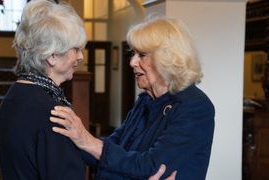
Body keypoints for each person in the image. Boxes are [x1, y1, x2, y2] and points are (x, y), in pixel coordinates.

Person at [50, 15, 215, 180]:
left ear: (168, 58)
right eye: (133, 54)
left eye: (142, 55)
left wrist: (87, 141)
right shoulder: (146, 100)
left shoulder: (195, 107)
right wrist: (67, 138)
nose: (132, 62)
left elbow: (150, 166)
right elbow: (113, 148)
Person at [0, 0, 87, 179]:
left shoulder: (14, 95)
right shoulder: (54, 114)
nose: (80, 57)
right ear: (52, 56)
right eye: (76, 49)